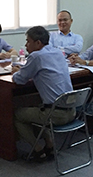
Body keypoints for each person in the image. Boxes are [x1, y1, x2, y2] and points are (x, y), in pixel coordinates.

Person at [12, 26, 74, 161]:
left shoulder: (36, 56)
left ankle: (38, 150)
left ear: (38, 43)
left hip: (56, 115)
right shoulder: (58, 52)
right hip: (72, 111)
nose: (26, 45)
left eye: (28, 41)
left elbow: (19, 79)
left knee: (17, 114)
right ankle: (49, 145)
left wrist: (17, 71)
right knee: (40, 106)